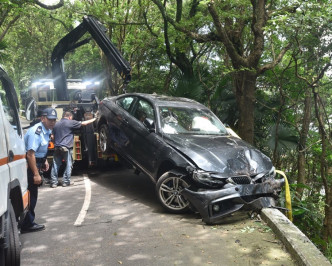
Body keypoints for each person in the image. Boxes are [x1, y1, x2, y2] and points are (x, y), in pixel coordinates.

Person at [21, 107, 57, 233]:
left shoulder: (46, 130)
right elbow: (30, 154)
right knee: (32, 195)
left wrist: (45, 160)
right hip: (30, 166)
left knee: (33, 194)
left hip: (36, 163)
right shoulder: (37, 131)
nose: (52, 122)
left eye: (54, 120)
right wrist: (36, 174)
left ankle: (27, 221)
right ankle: (27, 223)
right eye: (50, 119)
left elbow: (40, 150)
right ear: (43, 118)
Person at [50, 110, 96, 188]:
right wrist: (94, 119)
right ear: (70, 117)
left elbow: (52, 137)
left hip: (57, 147)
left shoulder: (56, 124)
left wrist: (55, 143)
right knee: (68, 164)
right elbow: (84, 123)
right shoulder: (70, 122)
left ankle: (54, 183)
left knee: (55, 165)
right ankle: (66, 182)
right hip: (66, 147)